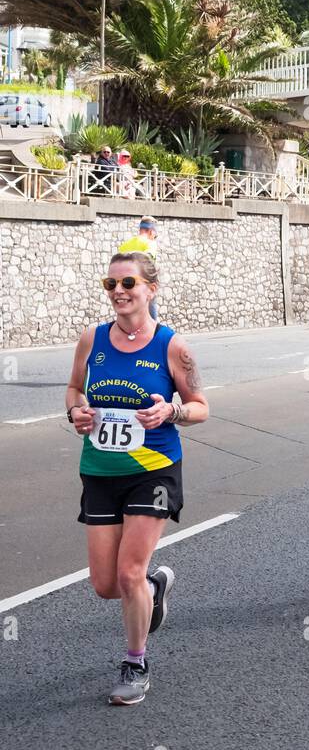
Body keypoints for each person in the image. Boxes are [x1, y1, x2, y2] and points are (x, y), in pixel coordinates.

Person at [65, 251, 209, 705]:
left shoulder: (172, 347)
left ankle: (135, 661)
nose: (119, 293)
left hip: (154, 471)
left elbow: (202, 406)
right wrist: (76, 411)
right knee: (106, 585)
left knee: (128, 573)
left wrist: (173, 410)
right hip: (100, 470)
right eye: (111, 285)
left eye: (128, 283)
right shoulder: (92, 339)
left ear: (151, 289)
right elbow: (73, 388)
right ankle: (154, 588)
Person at [119, 216, 159, 320]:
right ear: (151, 231)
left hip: (126, 284)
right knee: (151, 307)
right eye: (155, 235)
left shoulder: (125, 245)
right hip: (142, 284)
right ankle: (154, 332)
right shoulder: (150, 243)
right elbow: (147, 261)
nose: (155, 237)